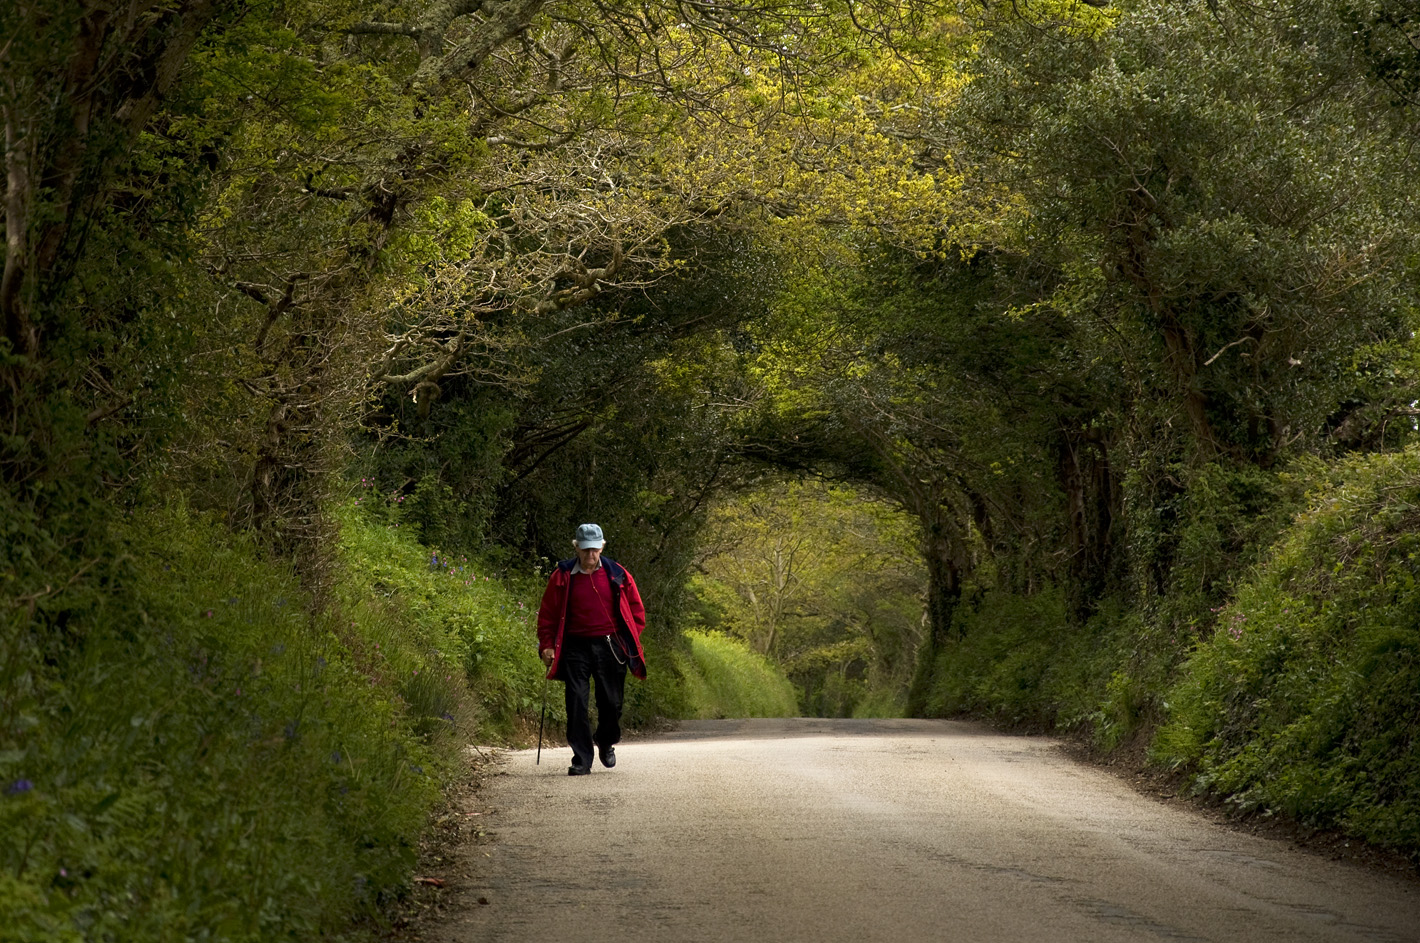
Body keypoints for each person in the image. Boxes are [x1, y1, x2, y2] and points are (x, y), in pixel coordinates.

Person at [536, 523, 647, 776]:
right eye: (585, 550)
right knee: (575, 700)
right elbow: (548, 616)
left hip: (611, 646)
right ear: (576, 548)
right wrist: (546, 646)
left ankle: (606, 741)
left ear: (602, 547)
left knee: (612, 703)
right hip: (575, 646)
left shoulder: (617, 574)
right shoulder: (562, 575)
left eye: (595, 550)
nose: (590, 556)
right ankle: (581, 758)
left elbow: (637, 612)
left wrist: (627, 639)